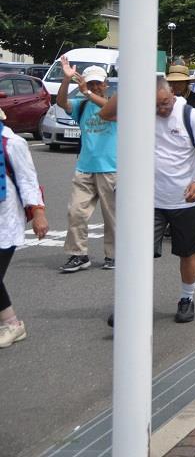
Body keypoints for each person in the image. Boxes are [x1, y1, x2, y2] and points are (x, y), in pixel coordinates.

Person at [138, 77, 195, 323]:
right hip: (151, 200)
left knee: (187, 251)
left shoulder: (189, 115)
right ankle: (132, 303)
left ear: (171, 92)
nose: (162, 109)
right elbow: (108, 114)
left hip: (184, 199)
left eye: (164, 103)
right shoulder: (142, 113)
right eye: (156, 106)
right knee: (138, 253)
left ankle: (186, 299)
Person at [56, 57, 117, 272]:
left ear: (105, 84)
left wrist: (87, 93)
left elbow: (111, 109)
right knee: (76, 212)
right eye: (90, 83)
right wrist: (66, 80)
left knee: (113, 217)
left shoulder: (113, 105)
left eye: (97, 83)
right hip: (85, 167)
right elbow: (61, 103)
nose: (94, 87)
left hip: (111, 168)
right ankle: (78, 254)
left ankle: (114, 255)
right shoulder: (82, 106)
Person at [0, 106, 49, 348]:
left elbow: (28, 180)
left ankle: (13, 325)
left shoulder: (12, 142)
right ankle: (11, 323)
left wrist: (39, 214)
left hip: (5, 220)